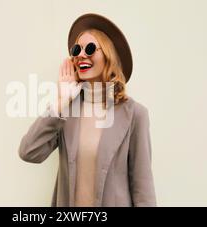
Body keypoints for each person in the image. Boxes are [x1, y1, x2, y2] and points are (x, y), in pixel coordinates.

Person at [19, 13, 156, 207]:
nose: (81, 55)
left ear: (108, 55)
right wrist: (61, 102)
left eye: (90, 48)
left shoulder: (135, 114)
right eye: (77, 50)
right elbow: (28, 152)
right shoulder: (67, 110)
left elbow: (143, 190)